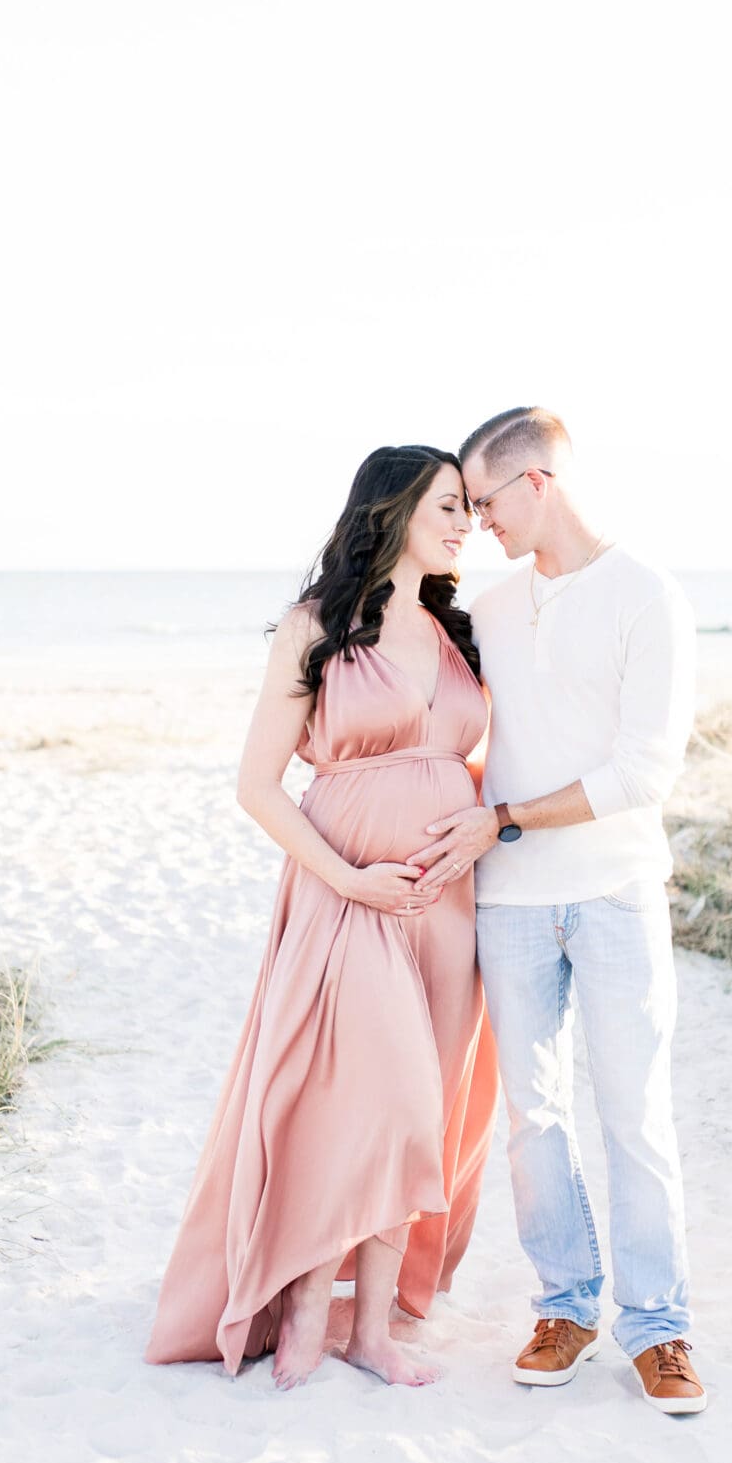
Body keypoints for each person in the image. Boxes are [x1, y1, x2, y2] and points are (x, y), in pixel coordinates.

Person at [145, 445, 498, 1387]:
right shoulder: (317, 626)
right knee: (350, 1101)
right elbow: (258, 787)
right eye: (450, 505)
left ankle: (371, 1327)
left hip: (445, 899)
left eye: (469, 507)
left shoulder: (459, 632)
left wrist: (486, 829)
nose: (467, 522)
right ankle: (305, 1306)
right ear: (393, 510)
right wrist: (349, 879)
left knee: (420, 1109)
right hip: (347, 890)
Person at [408, 406, 707, 1414]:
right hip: (512, 904)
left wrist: (506, 818)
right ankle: (565, 1304)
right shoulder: (489, 610)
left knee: (634, 1113)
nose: (477, 520)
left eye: (485, 500)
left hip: (616, 891)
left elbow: (643, 770)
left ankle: (658, 1326)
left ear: (536, 482)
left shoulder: (645, 594)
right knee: (535, 1117)